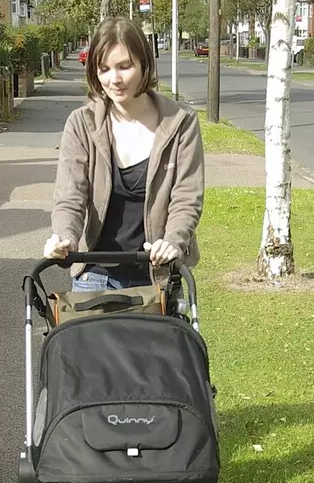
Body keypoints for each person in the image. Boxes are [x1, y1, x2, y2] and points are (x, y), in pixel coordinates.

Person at [44, 17, 205, 293]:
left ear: (144, 64)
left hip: (158, 277)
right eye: (104, 69)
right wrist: (65, 237)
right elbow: (70, 197)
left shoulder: (180, 122)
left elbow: (187, 198)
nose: (114, 79)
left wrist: (173, 241)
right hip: (95, 275)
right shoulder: (82, 124)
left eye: (124, 66)